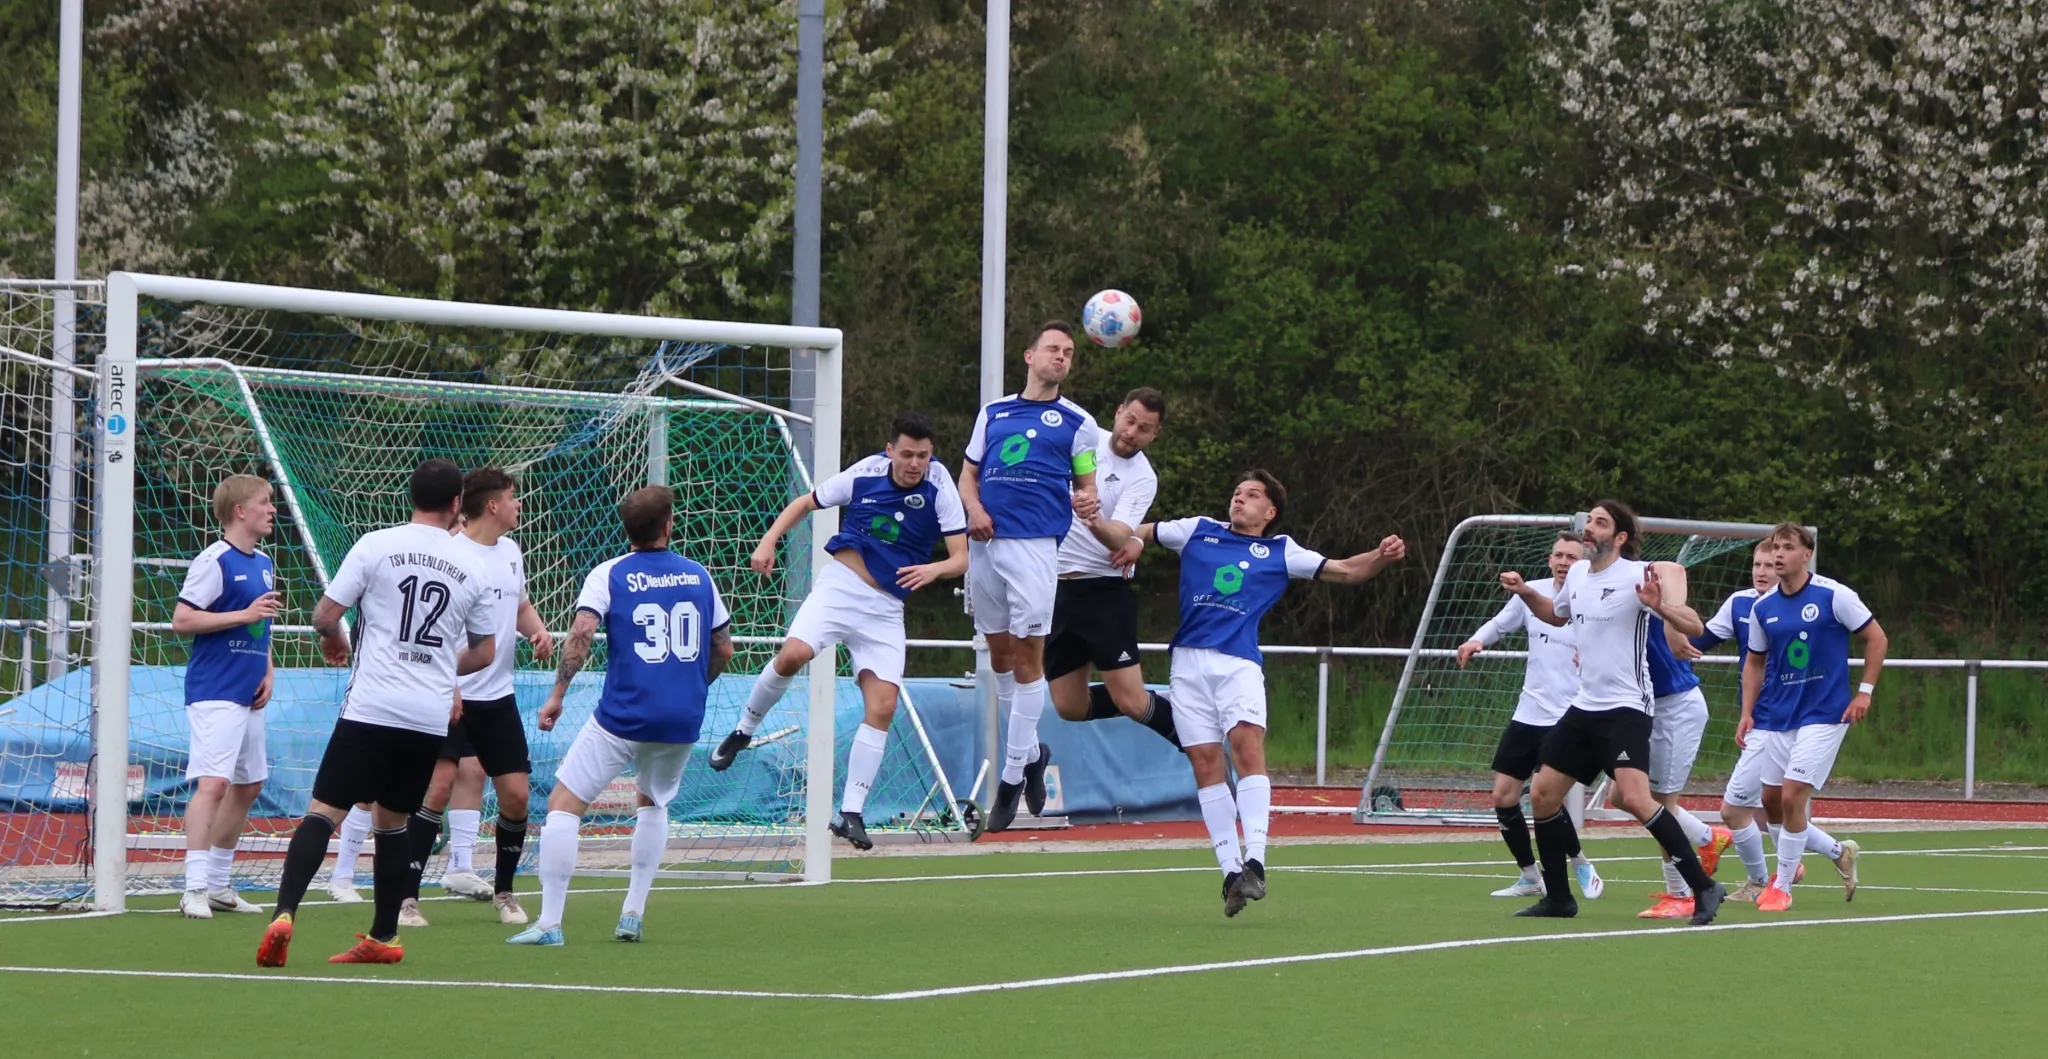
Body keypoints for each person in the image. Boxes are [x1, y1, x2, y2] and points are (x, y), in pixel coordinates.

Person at [1090, 470, 1406, 916]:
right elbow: (1140, 530)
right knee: (1204, 762)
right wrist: (1137, 541)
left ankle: (1256, 861)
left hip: (1237, 663)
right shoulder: (1198, 529)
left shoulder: (1281, 550)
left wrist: (1381, 554)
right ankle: (1230, 873)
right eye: (1237, 493)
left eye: (1252, 495)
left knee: (1246, 747)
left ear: (1269, 511)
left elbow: (1346, 571)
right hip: (1188, 664)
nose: (1239, 500)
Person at [256, 459, 496, 967]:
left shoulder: (376, 544)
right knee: (393, 822)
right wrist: (434, 664)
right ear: (457, 506)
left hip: (372, 706)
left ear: (411, 497)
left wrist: (334, 638)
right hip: (427, 717)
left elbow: (325, 614)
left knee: (324, 811)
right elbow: (484, 653)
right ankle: (384, 936)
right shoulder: (473, 566)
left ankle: (284, 914)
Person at [708, 413, 969, 851]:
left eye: (923, 456)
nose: (915, 464)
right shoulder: (864, 473)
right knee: (793, 655)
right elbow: (804, 504)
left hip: (886, 610)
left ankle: (851, 812)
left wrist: (935, 569)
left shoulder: (940, 485)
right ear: (889, 451)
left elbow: (961, 558)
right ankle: (743, 729)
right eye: (906, 454)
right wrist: (767, 541)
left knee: (883, 707)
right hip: (840, 589)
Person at [508, 486, 734, 946]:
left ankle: (550, 923)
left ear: (626, 529)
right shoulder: (699, 575)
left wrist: (557, 695)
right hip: (681, 721)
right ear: (668, 525)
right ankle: (632, 913)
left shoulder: (609, 574)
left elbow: (583, 632)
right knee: (652, 802)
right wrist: (690, 687)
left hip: (623, 716)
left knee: (563, 807)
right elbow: (723, 647)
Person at [1495, 500, 1725, 926]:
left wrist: (1663, 609)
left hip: (1626, 707)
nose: (1589, 528)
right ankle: (1559, 898)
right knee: (1543, 794)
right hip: (1584, 706)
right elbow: (1557, 615)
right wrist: (1528, 591)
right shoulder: (1579, 573)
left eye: (1600, 523)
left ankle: (1704, 888)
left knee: (1637, 799)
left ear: (1620, 537)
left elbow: (1694, 625)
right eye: (1589, 521)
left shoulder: (1638, 575)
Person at [389, 468, 553, 928]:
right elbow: (433, 629)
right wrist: (452, 683)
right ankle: (407, 898)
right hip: (449, 694)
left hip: (497, 697)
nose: (520, 504)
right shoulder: (450, 554)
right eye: (513, 497)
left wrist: (537, 629)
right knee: (437, 788)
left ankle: (505, 893)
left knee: (517, 797)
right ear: (493, 506)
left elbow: (518, 605)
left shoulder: (512, 552)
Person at [957, 322, 1100, 831]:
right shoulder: (993, 412)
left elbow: (1087, 484)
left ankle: (1012, 775)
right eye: (1054, 349)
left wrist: (1087, 498)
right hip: (984, 545)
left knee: (1029, 655)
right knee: (999, 655)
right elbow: (969, 473)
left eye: (1069, 352)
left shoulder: (1078, 422)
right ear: (1029, 356)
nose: (1062, 357)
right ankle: (1032, 751)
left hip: (1035, 547)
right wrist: (971, 507)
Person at [1742, 523, 1885, 912]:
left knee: (1792, 796)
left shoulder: (1834, 595)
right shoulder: (1763, 607)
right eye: (1774, 548)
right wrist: (1746, 713)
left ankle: (1782, 886)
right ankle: (1839, 853)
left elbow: (1877, 638)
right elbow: (1755, 662)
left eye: (1787, 548)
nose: (1777, 555)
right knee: (1770, 799)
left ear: (1807, 554)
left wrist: (1864, 693)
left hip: (1824, 714)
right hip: (1778, 716)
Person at [1454, 531, 1604, 901]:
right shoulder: (1530, 593)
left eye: (1571, 556)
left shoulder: (1592, 596)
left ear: (1583, 561)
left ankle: (1580, 862)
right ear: (1549, 560)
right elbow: (1500, 623)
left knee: (1545, 797)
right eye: (1558, 555)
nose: (1563, 562)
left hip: (1570, 715)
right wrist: (1476, 641)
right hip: (1530, 710)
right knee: (1504, 796)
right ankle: (1529, 875)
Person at [173, 475, 282, 919]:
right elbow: (182, 620)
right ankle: (193, 886)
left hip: (248, 690)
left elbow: (261, 625)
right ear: (240, 511)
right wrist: (244, 613)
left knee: (249, 784)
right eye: (265, 502)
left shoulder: (265, 562)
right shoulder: (214, 560)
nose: (273, 509)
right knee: (213, 784)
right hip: (215, 689)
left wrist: (269, 670)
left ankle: (218, 884)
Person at [1047, 388, 1178, 746]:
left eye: (1144, 428)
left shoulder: (1142, 477)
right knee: (1069, 707)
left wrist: (1094, 521)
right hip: (1054, 589)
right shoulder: (1085, 441)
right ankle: (1174, 708)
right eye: (1130, 420)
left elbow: (1120, 535)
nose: (1132, 432)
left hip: (1102, 592)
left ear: (1155, 434)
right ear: (1118, 412)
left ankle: (1197, 745)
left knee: (1133, 702)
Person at [1681, 541, 1796, 901]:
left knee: (1743, 808)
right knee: (1772, 803)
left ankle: (1769, 880)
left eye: (1769, 564)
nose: (1762, 571)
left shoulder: (1794, 606)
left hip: (1784, 718)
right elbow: (1701, 639)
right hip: (1759, 719)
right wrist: (1665, 634)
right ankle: (1834, 854)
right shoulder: (1740, 603)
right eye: (1757, 564)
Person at [1634, 601, 1736, 919]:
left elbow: (1693, 623)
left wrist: (1666, 614)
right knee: (1622, 795)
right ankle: (1708, 837)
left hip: (1674, 707)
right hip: (1641, 707)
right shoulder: (1593, 599)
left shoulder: (1640, 592)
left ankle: (1681, 895)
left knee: (1661, 805)